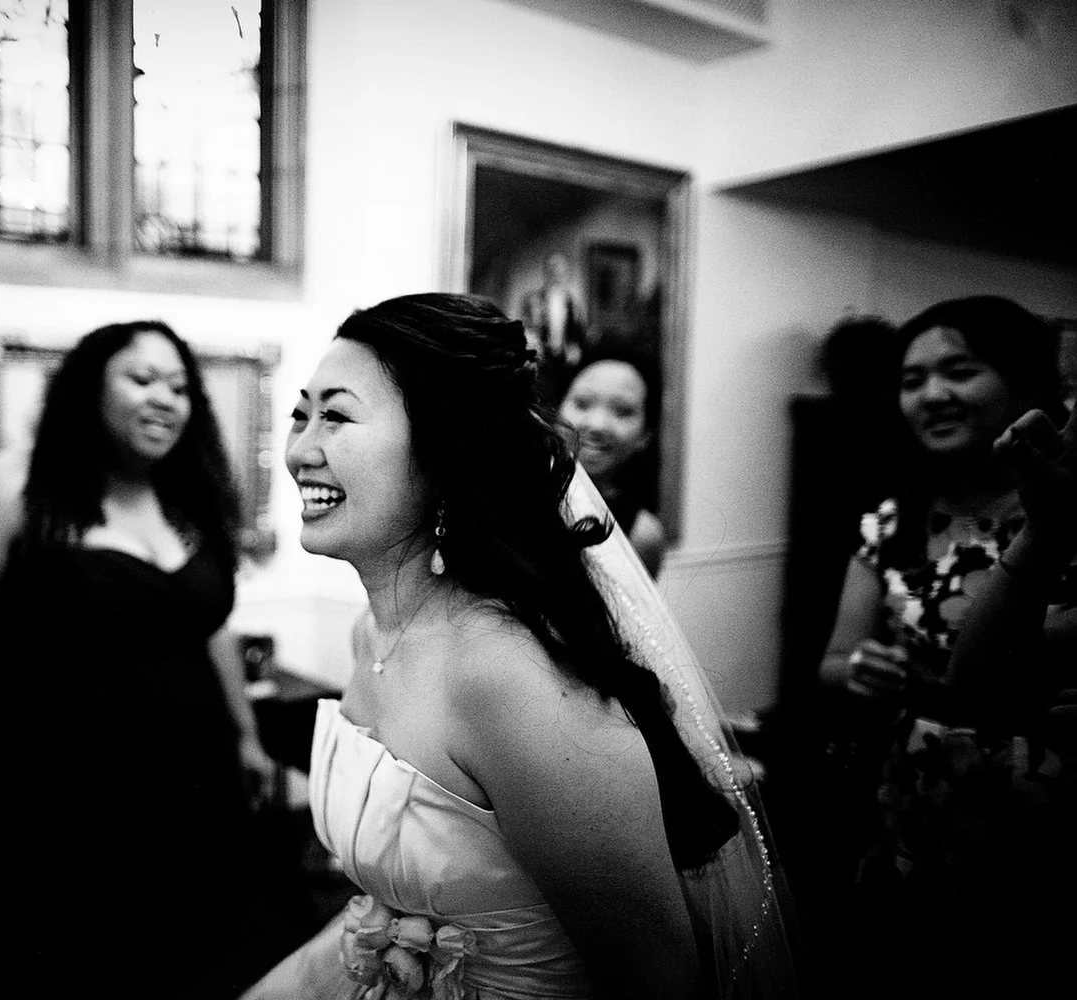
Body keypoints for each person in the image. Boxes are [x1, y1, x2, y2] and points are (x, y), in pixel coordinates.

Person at [245, 293, 797, 999]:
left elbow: (660, 981)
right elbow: (389, 907)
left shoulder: (511, 679)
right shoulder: (372, 633)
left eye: (338, 416)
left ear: (444, 451)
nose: (300, 451)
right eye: (301, 414)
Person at [0, 321, 313, 993]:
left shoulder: (187, 498)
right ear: (87, 388)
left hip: (188, 792)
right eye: (141, 379)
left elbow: (208, 627)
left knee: (184, 960)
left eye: (179, 387)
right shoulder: (12, 489)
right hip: (50, 800)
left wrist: (247, 738)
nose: (165, 400)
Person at [813, 295, 1069, 996]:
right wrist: (859, 670)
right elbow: (832, 663)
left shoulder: (1064, 512)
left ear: (1027, 386)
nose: (933, 395)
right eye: (912, 380)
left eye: (959, 371)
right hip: (917, 797)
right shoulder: (893, 521)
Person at [557, 345, 666, 577]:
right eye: (583, 403)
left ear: (645, 435)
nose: (597, 424)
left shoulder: (642, 535)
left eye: (622, 411)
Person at [518, 252, 588, 404]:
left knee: (562, 395)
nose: (557, 275)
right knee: (541, 394)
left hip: (563, 358)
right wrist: (533, 342)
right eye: (553, 270)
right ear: (546, 272)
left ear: (566, 274)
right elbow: (526, 326)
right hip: (541, 355)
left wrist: (574, 346)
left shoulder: (573, 302)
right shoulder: (533, 300)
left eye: (561, 271)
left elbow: (578, 330)